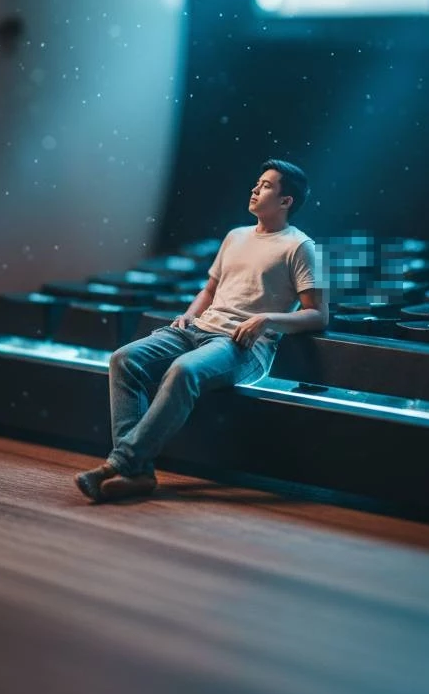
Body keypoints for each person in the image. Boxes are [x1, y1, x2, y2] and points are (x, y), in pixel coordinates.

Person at [75, 158, 328, 503]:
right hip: (198, 328)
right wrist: (188, 315)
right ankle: (138, 473)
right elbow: (209, 291)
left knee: (182, 371)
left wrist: (267, 319)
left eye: (266, 185)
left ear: (287, 201)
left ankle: (118, 464)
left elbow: (318, 315)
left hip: (243, 345)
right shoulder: (235, 236)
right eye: (257, 182)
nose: (255, 189)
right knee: (124, 360)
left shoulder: (301, 246)